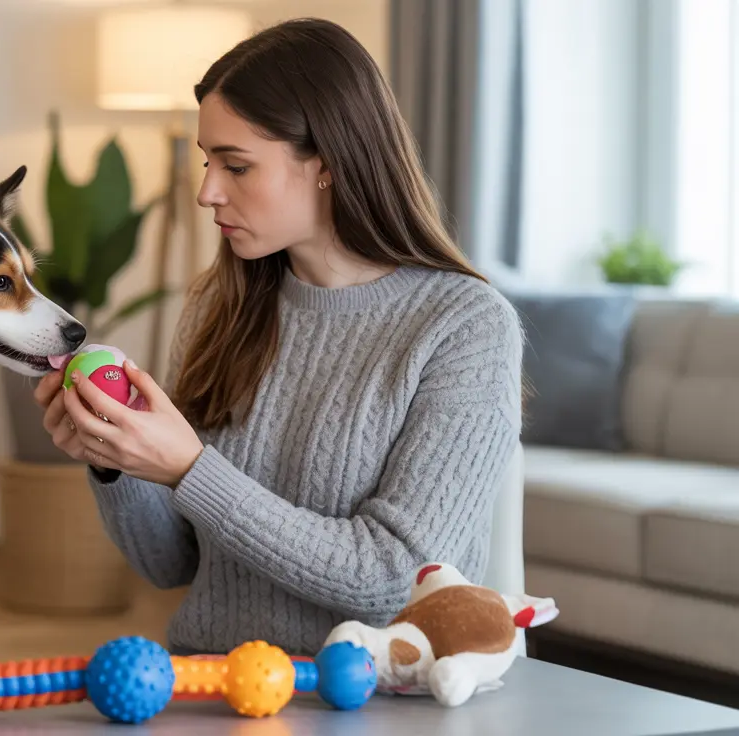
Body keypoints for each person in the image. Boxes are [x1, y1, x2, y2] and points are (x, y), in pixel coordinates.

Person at [33, 17, 524, 657]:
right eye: (208, 162)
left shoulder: (464, 326)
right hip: (211, 681)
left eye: (236, 166)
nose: (207, 192)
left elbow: (395, 578)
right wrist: (116, 459)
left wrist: (190, 468)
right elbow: (171, 565)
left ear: (327, 165)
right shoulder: (220, 307)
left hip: (368, 694)